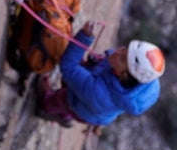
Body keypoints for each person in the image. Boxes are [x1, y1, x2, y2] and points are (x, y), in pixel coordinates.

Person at [36, 24, 165, 131]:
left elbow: (68, 67)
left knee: (62, 98)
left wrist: (83, 39)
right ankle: (65, 115)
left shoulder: (99, 93)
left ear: (124, 74)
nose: (117, 51)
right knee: (76, 81)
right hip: (96, 109)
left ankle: (45, 107)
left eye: (122, 58)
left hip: (85, 106)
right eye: (124, 48)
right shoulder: (133, 81)